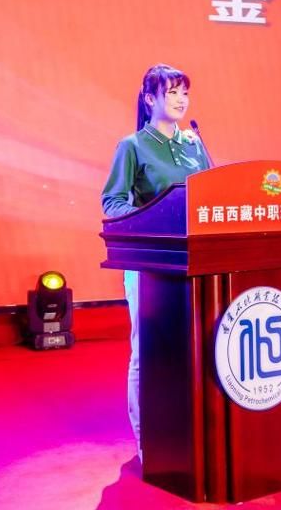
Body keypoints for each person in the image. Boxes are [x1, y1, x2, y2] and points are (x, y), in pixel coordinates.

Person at [101, 63, 211, 460]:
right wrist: (153, 218)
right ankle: (149, 438)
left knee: (198, 347)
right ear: (150, 99)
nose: (181, 100)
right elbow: (113, 203)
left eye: (185, 92)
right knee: (147, 350)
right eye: (172, 92)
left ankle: (195, 431)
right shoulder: (132, 146)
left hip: (196, 263)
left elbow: (212, 197)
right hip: (151, 265)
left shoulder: (194, 143)